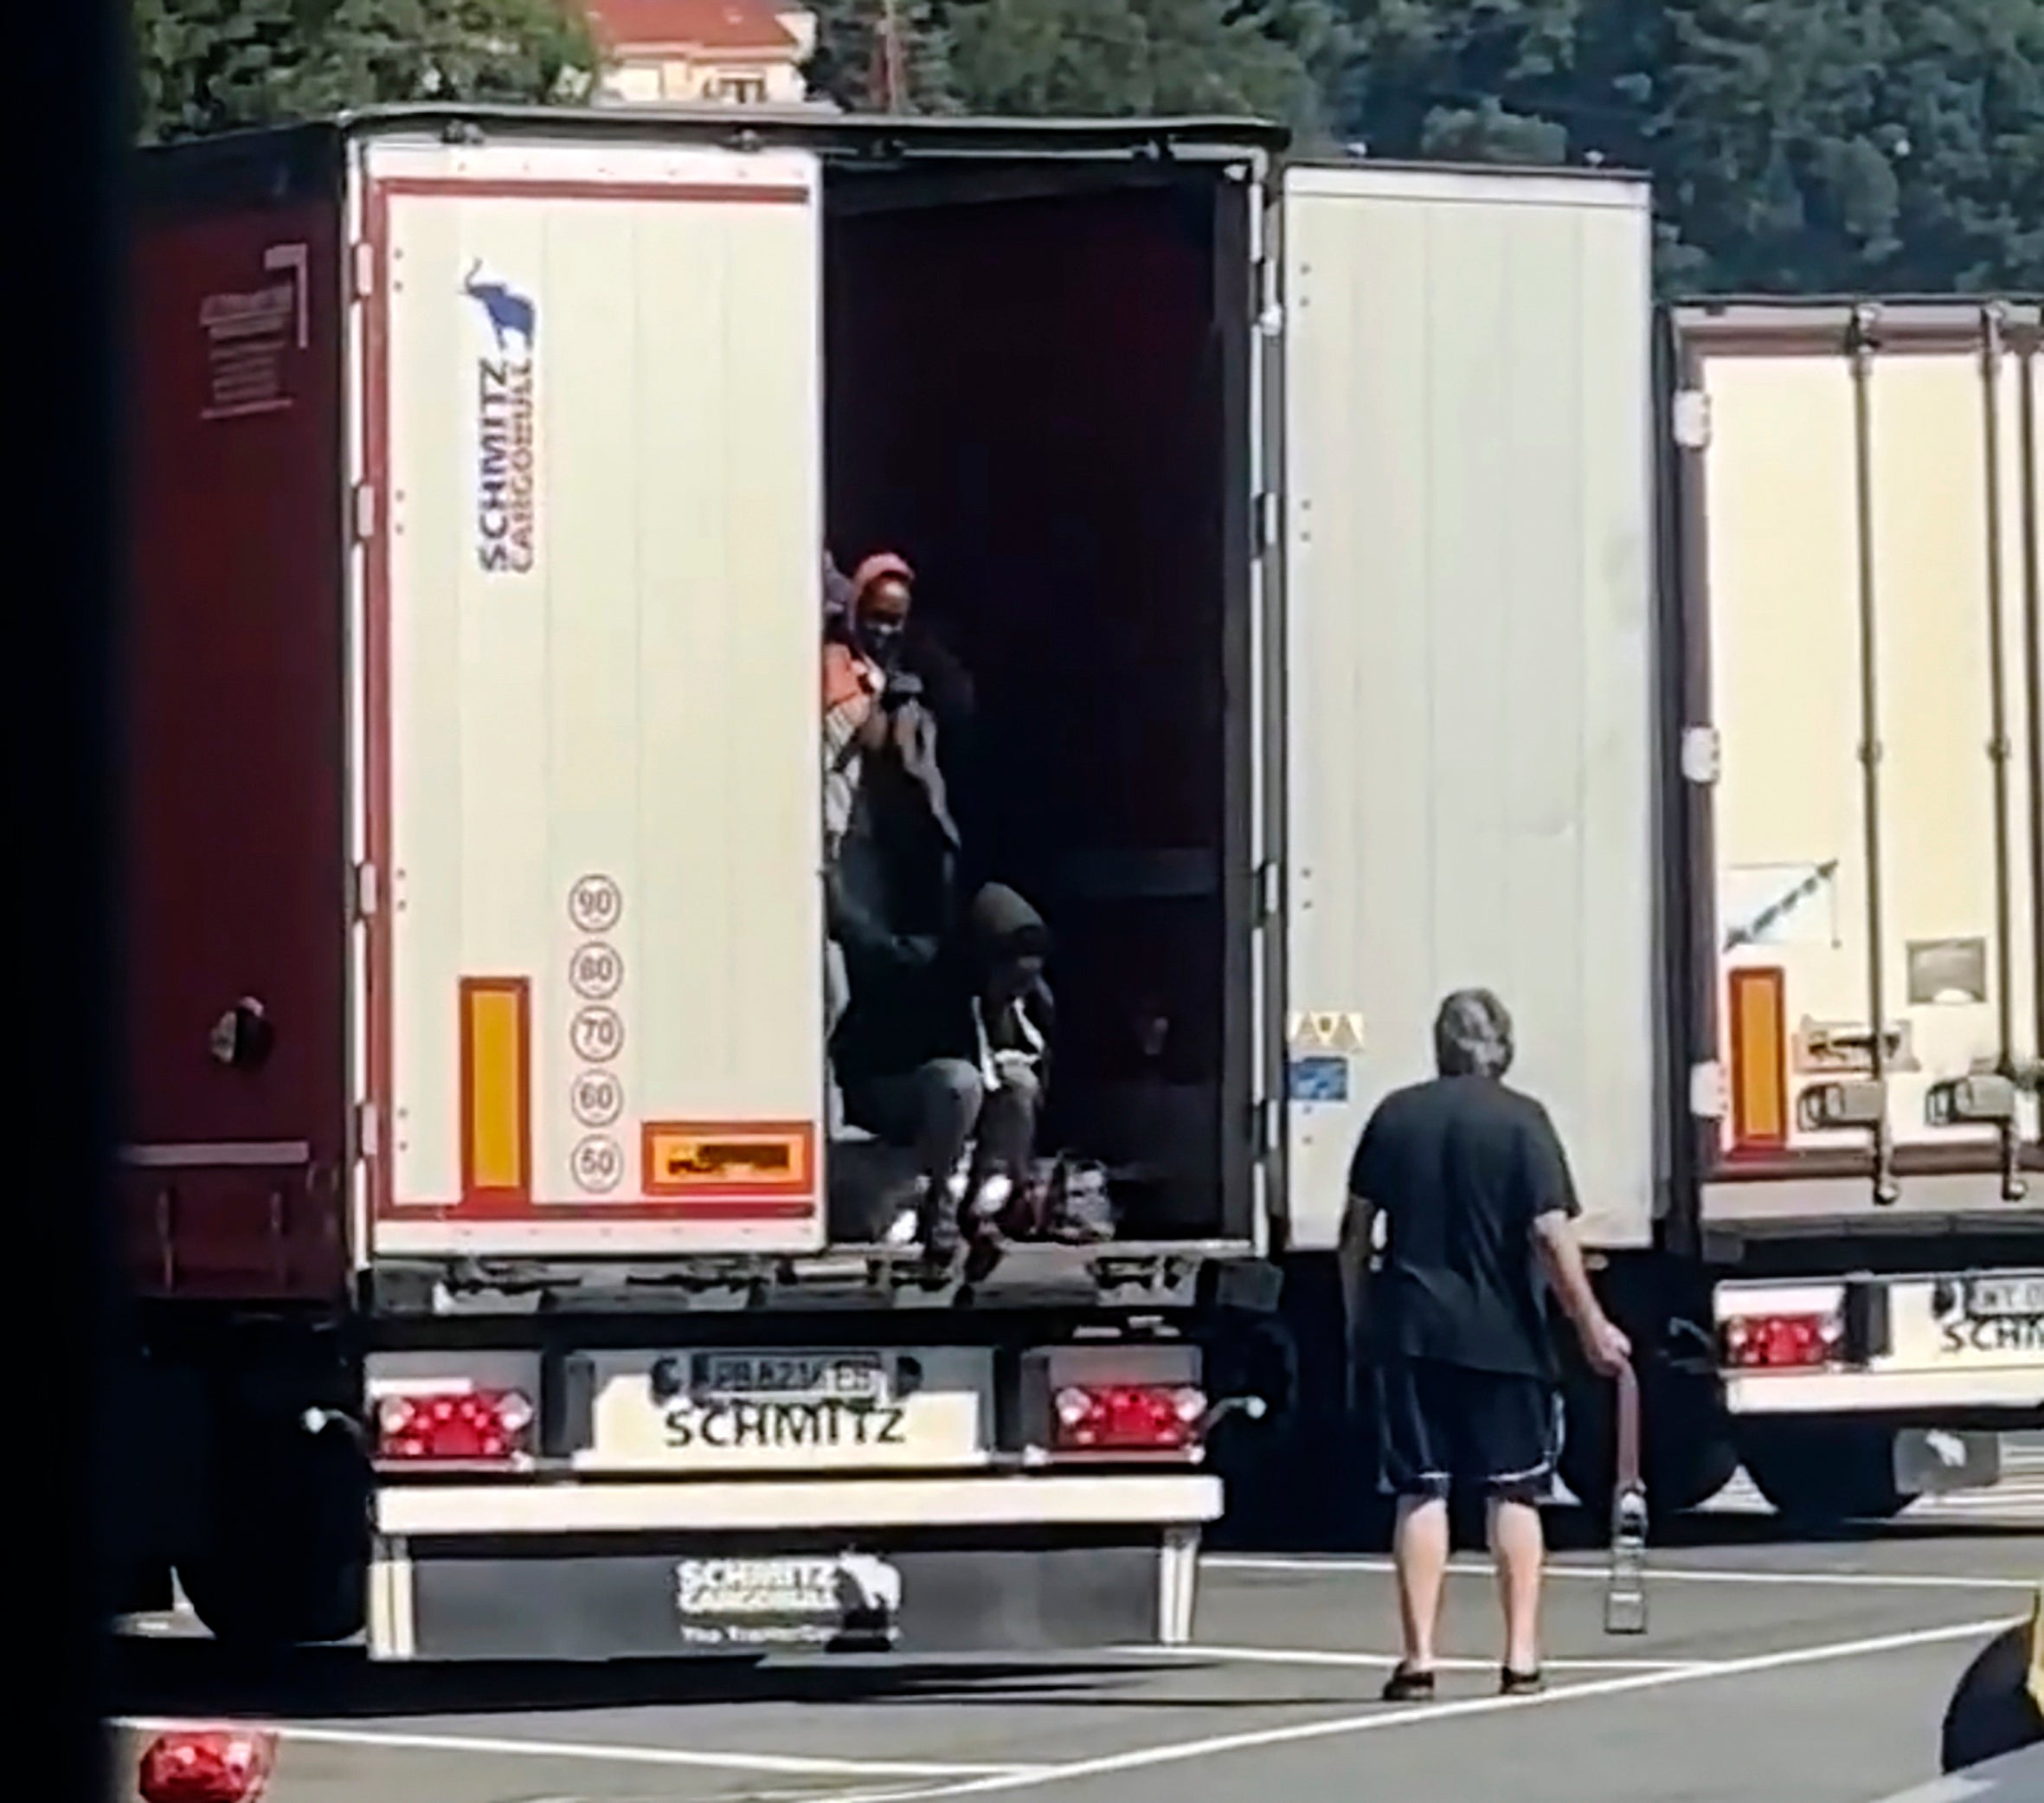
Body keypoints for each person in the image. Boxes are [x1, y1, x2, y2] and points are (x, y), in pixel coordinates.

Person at [1339, 988, 1630, 1701]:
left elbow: (1353, 1235)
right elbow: (1550, 1233)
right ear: (1503, 1045)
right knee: (1514, 1491)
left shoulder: (1395, 1116)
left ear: (1439, 1044)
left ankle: (1419, 1657)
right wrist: (1591, 1322)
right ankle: (1521, 1654)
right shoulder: (1524, 1122)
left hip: (1411, 1326)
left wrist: (1360, 1318)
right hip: (1505, 1334)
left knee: (1420, 1491)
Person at [828, 881, 1054, 1261]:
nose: (1017, 993)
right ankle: (939, 1206)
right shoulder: (921, 966)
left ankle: (987, 1206)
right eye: (1011, 982)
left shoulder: (1027, 1000)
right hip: (889, 1088)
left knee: (1020, 1084)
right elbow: (860, 937)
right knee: (958, 1082)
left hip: (960, 1104)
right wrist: (829, 883)